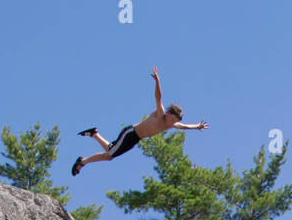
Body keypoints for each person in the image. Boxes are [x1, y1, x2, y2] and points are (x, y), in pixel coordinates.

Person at [71, 67, 208, 174]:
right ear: (169, 113)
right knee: (111, 154)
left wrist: (197, 126)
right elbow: (158, 97)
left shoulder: (171, 124)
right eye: (173, 119)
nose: (173, 122)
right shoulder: (160, 114)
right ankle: (83, 160)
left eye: (175, 121)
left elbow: (184, 127)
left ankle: (94, 135)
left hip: (136, 139)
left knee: (111, 152)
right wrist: (157, 81)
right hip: (130, 133)